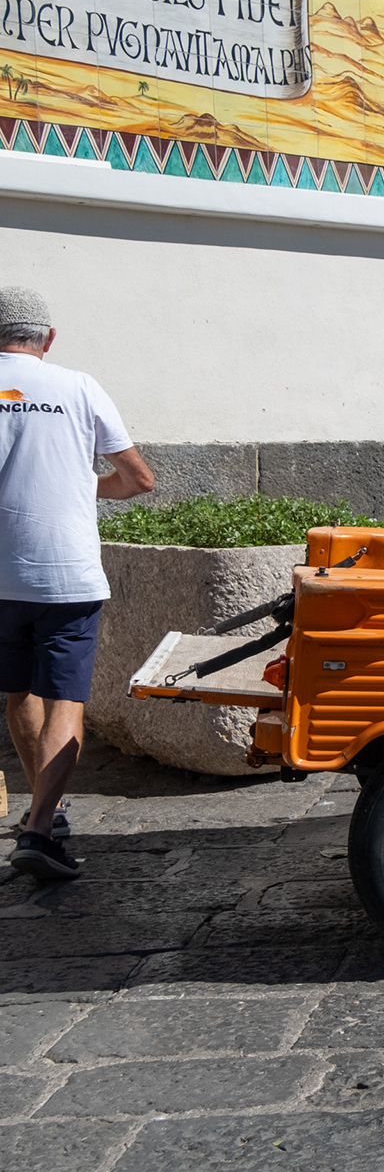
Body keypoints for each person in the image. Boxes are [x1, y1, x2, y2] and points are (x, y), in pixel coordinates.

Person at [2, 286, 154, 880]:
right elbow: (138, 479)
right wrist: (75, 484)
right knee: (66, 699)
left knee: (19, 692)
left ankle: (46, 806)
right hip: (65, 573)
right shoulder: (78, 385)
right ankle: (42, 826)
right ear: (48, 338)